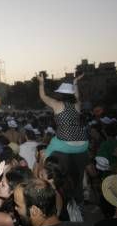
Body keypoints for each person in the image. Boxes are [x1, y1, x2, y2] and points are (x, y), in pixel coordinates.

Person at [38, 73, 89, 206]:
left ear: (60, 94)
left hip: (64, 142)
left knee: (43, 157)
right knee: (79, 173)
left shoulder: (57, 104)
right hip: (83, 144)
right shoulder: (78, 105)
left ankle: (41, 188)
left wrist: (41, 82)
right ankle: (83, 192)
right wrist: (75, 83)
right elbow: (78, 96)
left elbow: (43, 96)